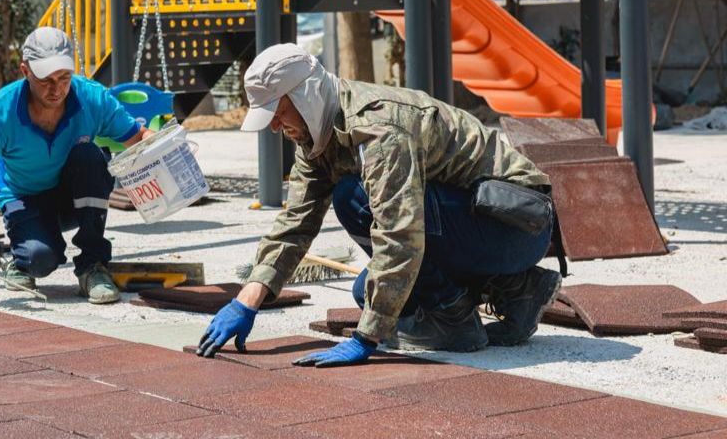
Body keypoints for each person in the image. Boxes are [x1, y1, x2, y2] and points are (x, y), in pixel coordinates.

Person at [197, 44, 562, 366]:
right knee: (365, 292)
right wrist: (246, 301)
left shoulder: (378, 127)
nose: (275, 127)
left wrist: (366, 338)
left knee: (353, 197)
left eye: (278, 112)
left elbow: (400, 233)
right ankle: (519, 288)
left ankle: (452, 318)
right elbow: (296, 223)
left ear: (305, 95)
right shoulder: (316, 138)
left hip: (517, 224)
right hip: (481, 227)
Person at [0, 27, 155, 304]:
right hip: (24, 198)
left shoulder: (92, 98)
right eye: (46, 80)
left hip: (72, 198)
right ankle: (22, 261)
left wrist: (164, 144)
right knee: (40, 259)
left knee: (90, 156)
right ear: (25, 71)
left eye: (64, 77)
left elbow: (138, 137)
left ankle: (93, 266)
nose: (57, 89)